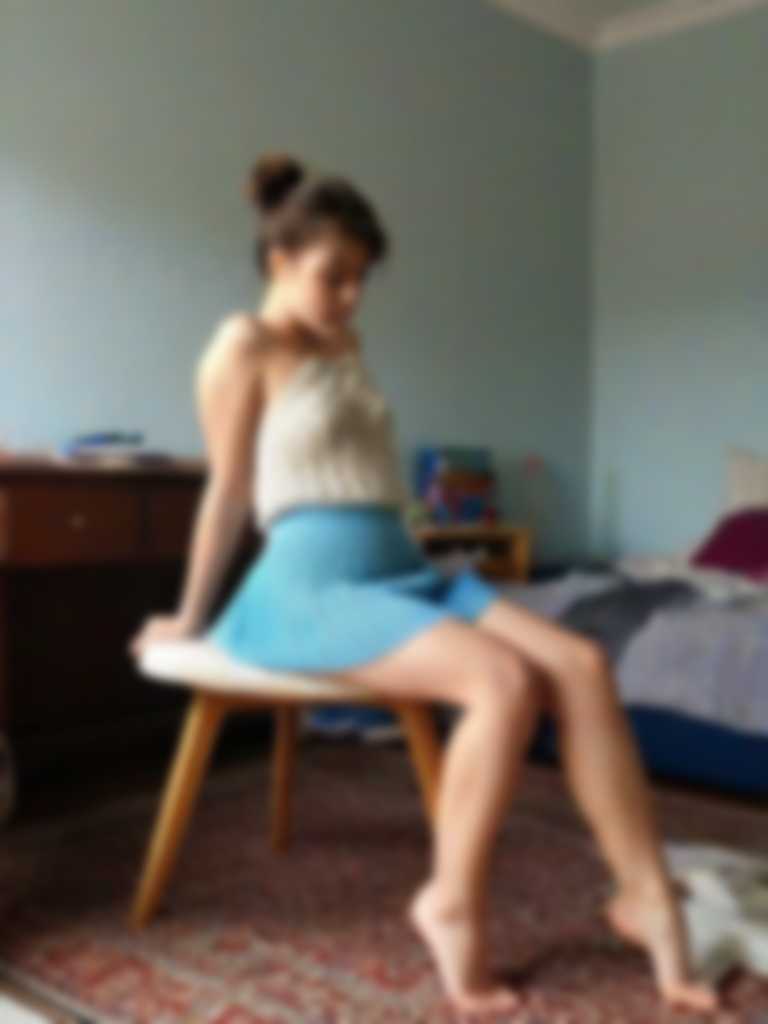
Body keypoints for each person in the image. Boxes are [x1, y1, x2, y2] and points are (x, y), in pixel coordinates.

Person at [128, 152, 720, 1019]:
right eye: (334, 275)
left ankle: (648, 899)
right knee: (502, 680)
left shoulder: (346, 344)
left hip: (401, 569)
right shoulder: (242, 345)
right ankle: (451, 904)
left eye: (361, 279)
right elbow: (229, 490)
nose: (351, 297)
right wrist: (191, 614)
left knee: (583, 665)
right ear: (280, 259)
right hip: (310, 585)